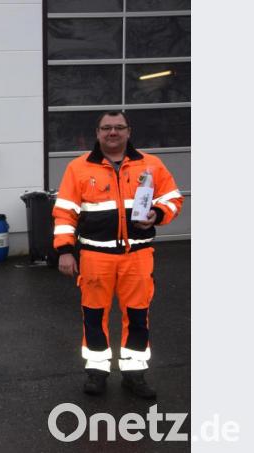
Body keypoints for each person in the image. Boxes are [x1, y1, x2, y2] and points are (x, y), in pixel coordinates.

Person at [53, 111, 183, 399]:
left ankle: (134, 375)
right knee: (94, 315)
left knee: (138, 316)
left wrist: (158, 214)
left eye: (119, 127)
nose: (113, 132)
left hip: (137, 255)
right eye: (107, 128)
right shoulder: (78, 168)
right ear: (97, 132)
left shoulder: (151, 165)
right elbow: (64, 213)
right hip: (95, 257)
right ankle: (97, 373)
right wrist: (64, 251)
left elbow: (173, 198)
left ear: (128, 131)